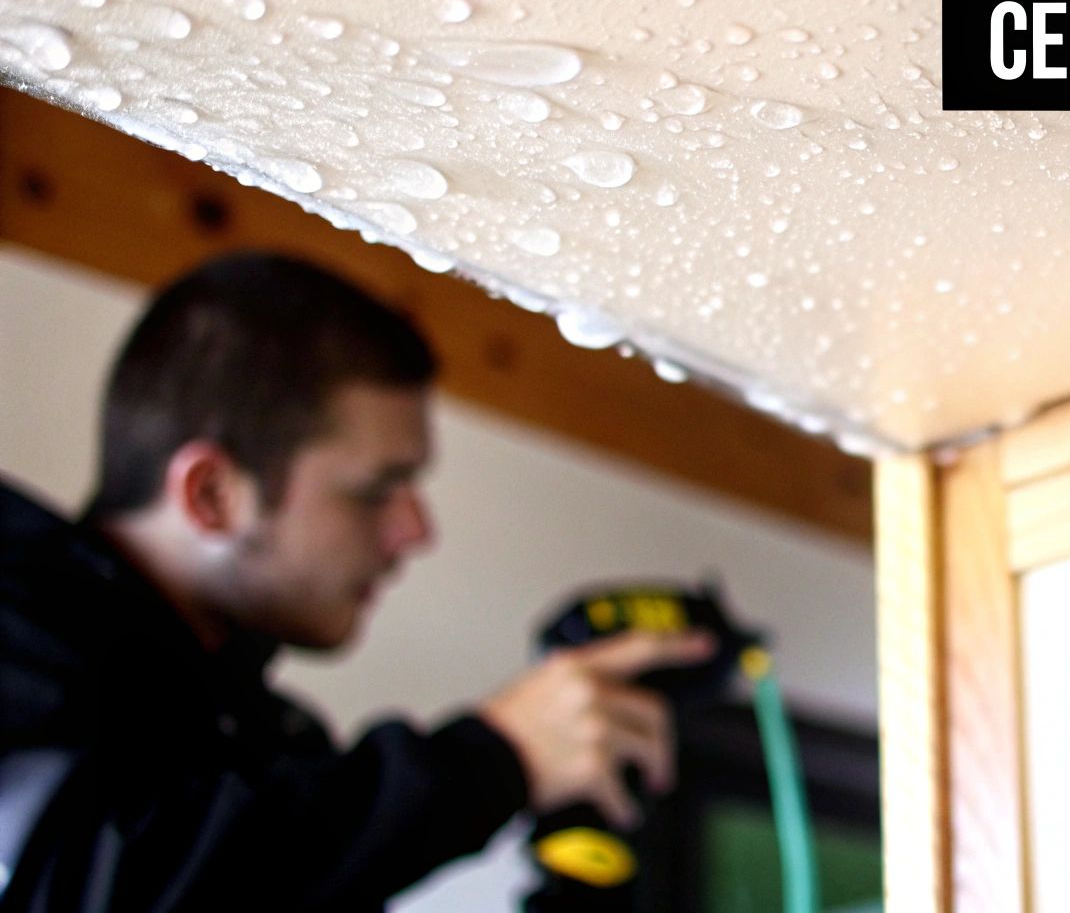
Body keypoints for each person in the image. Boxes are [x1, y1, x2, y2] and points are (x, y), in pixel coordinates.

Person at [0, 251, 714, 911]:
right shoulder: (14, 640)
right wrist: (498, 758)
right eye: (377, 490)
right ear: (213, 494)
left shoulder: (264, 749)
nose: (416, 531)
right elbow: (81, 888)